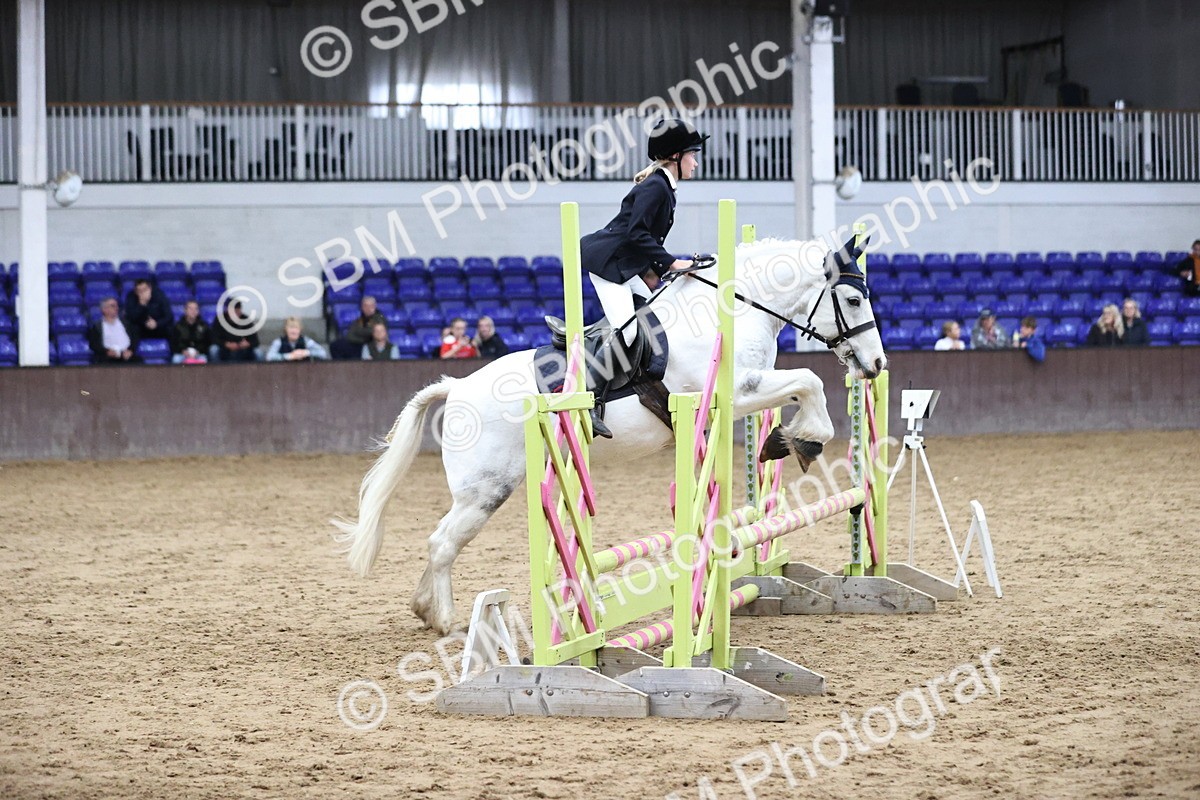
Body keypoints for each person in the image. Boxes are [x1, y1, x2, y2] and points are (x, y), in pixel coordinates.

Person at [578, 117, 708, 437]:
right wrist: (670, 263)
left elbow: (645, 238)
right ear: (675, 156)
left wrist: (660, 271)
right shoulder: (656, 186)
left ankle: (646, 386)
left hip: (628, 265)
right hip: (610, 265)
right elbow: (636, 233)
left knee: (659, 318)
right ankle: (590, 402)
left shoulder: (664, 185)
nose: (696, 160)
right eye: (692, 154)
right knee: (628, 332)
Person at [87, 296, 141, 364]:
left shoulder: (127, 323)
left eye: (117, 306)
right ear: (104, 309)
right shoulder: (96, 327)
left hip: (127, 356)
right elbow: (94, 345)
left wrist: (130, 350)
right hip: (107, 357)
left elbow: (135, 338)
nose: (116, 308)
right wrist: (106, 352)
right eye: (113, 306)